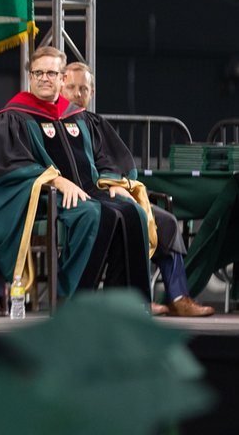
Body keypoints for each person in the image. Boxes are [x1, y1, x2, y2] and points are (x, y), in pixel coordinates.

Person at [0, 45, 151, 301]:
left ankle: (124, 303)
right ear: (30, 76)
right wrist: (56, 180)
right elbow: (6, 165)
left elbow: (106, 154)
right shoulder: (14, 118)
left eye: (51, 73)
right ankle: (72, 299)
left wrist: (115, 181)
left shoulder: (79, 117)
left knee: (132, 210)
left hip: (90, 191)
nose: (44, 78)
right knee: (91, 214)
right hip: (45, 199)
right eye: (38, 73)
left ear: (62, 77)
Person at [62, 61, 213, 317]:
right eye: (72, 87)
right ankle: (134, 300)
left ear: (92, 93)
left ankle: (178, 297)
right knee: (129, 218)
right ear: (61, 87)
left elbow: (119, 161)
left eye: (83, 89)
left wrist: (114, 183)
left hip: (112, 192)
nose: (77, 94)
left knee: (165, 221)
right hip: (81, 199)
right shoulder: (55, 125)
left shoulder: (97, 124)